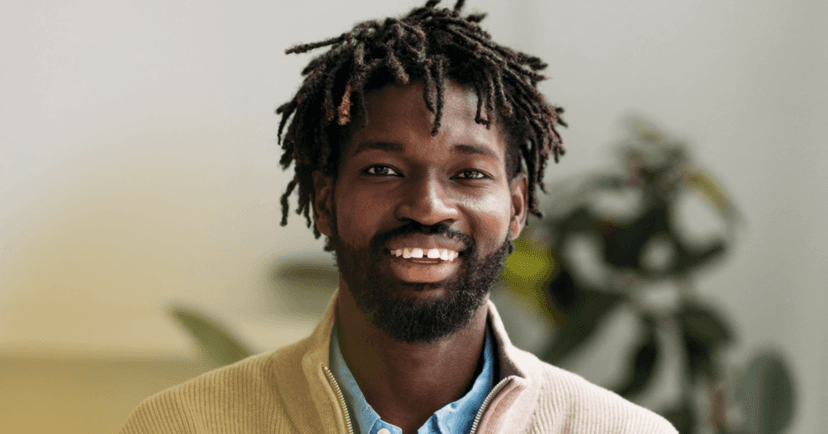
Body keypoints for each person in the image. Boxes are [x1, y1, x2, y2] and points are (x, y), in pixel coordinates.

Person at [119, 1, 677, 433]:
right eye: (383, 170)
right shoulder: (182, 426)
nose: (428, 206)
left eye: (469, 173)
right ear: (325, 202)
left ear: (516, 207)